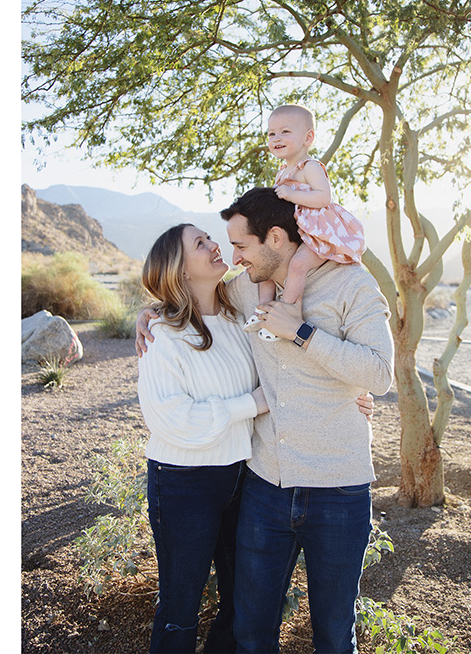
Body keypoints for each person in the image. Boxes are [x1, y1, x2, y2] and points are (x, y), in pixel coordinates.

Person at [138, 187, 393, 653]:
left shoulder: (352, 284)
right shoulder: (242, 286)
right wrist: (152, 312)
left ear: (275, 238)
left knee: (335, 635)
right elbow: (187, 300)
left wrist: (300, 333)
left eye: (240, 245)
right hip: (262, 487)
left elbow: (378, 374)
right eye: (224, 246)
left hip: (338, 486)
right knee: (250, 630)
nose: (231, 256)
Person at [137, 224, 268, 653]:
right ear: (180, 270)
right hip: (184, 483)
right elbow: (172, 420)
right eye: (200, 244)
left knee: (242, 602)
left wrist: (351, 395)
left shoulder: (236, 315)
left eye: (210, 237)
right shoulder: (163, 336)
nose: (215, 246)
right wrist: (251, 404)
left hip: (243, 476)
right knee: (180, 610)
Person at [246, 104, 366, 341]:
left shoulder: (310, 167)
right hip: (298, 231)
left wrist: (291, 195)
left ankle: (288, 311)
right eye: (271, 134)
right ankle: (263, 310)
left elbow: (323, 197)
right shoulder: (282, 171)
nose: (276, 138)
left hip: (319, 232)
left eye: (285, 132)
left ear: (308, 137)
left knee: (299, 264)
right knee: (269, 262)